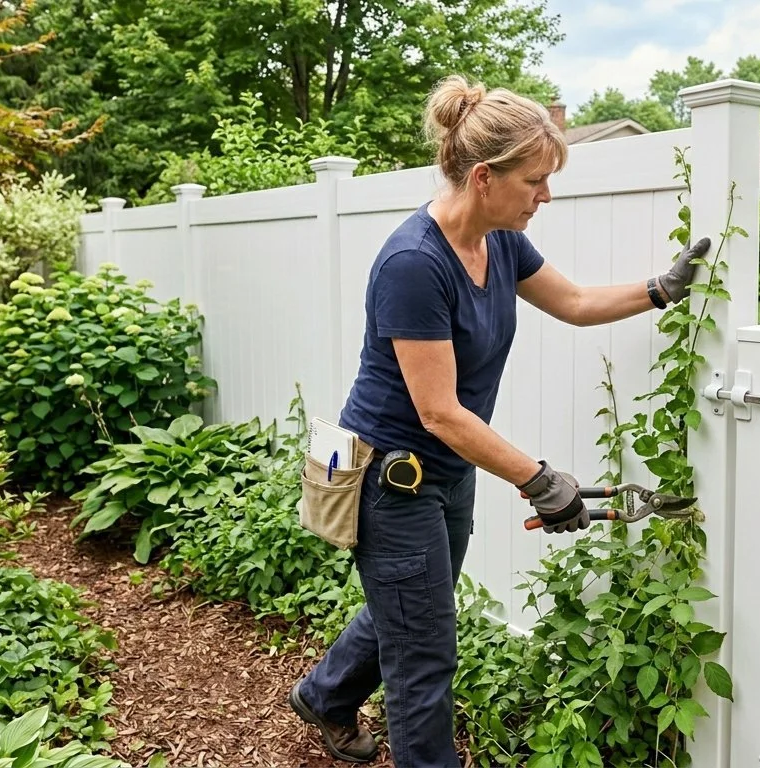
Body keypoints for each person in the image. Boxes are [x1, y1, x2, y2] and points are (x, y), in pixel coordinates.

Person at [288, 74, 709, 767]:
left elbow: (572, 302)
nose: (546, 195)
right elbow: (439, 411)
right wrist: (541, 480)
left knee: (414, 605)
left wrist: (658, 290)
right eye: (535, 181)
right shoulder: (414, 263)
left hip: (447, 473)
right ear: (484, 176)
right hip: (387, 480)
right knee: (425, 657)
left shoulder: (502, 241)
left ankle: (326, 694)